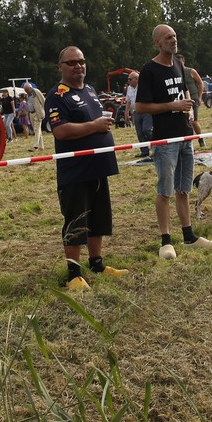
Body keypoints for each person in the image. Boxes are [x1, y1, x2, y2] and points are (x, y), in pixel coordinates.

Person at [136, 24, 212, 260]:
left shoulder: (179, 65)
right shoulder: (149, 70)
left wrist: (189, 108)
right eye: (168, 37)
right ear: (157, 43)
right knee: (165, 191)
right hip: (165, 139)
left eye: (174, 36)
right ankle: (166, 241)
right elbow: (141, 106)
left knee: (184, 189)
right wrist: (172, 106)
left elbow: (184, 92)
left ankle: (189, 237)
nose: (173, 40)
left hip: (185, 136)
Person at [47, 47, 126, 290]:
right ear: (60, 67)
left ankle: (97, 264)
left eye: (81, 61)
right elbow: (61, 130)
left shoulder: (90, 90)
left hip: (98, 166)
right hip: (75, 170)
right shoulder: (57, 95)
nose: (78, 66)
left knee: (98, 217)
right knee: (76, 220)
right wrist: (94, 126)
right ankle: (73, 274)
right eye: (71, 62)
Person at [125, 70, 151, 159]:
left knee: (147, 130)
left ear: (136, 79)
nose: (128, 81)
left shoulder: (144, 85)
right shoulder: (129, 88)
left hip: (146, 111)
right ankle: (144, 151)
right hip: (136, 112)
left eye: (130, 79)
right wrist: (126, 113)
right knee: (139, 133)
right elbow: (128, 101)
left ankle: (156, 148)